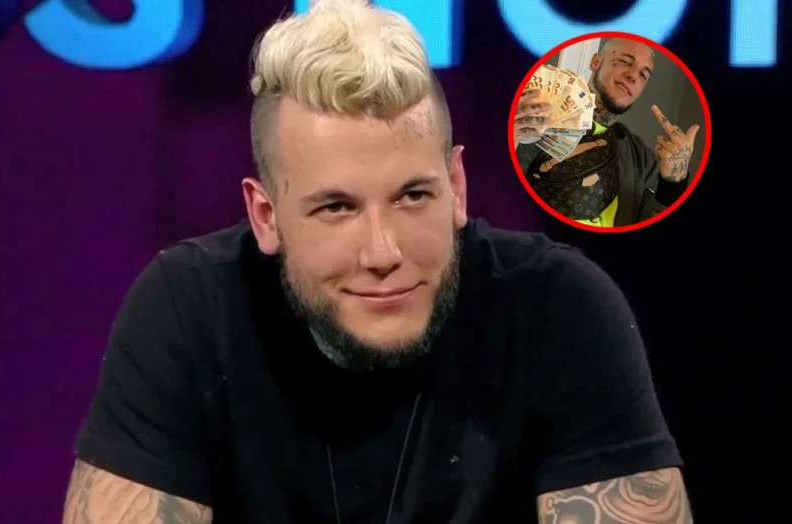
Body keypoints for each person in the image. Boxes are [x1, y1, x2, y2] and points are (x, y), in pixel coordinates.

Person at [62, 1, 694, 522]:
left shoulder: (560, 308)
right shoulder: (188, 311)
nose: (383, 253)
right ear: (266, 216)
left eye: (413, 196)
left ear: (457, 187)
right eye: (335, 208)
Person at [514, 38, 701, 228]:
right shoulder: (536, 120)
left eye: (643, 75)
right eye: (625, 61)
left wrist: (674, 183)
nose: (633, 76)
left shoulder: (641, 159)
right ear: (596, 62)